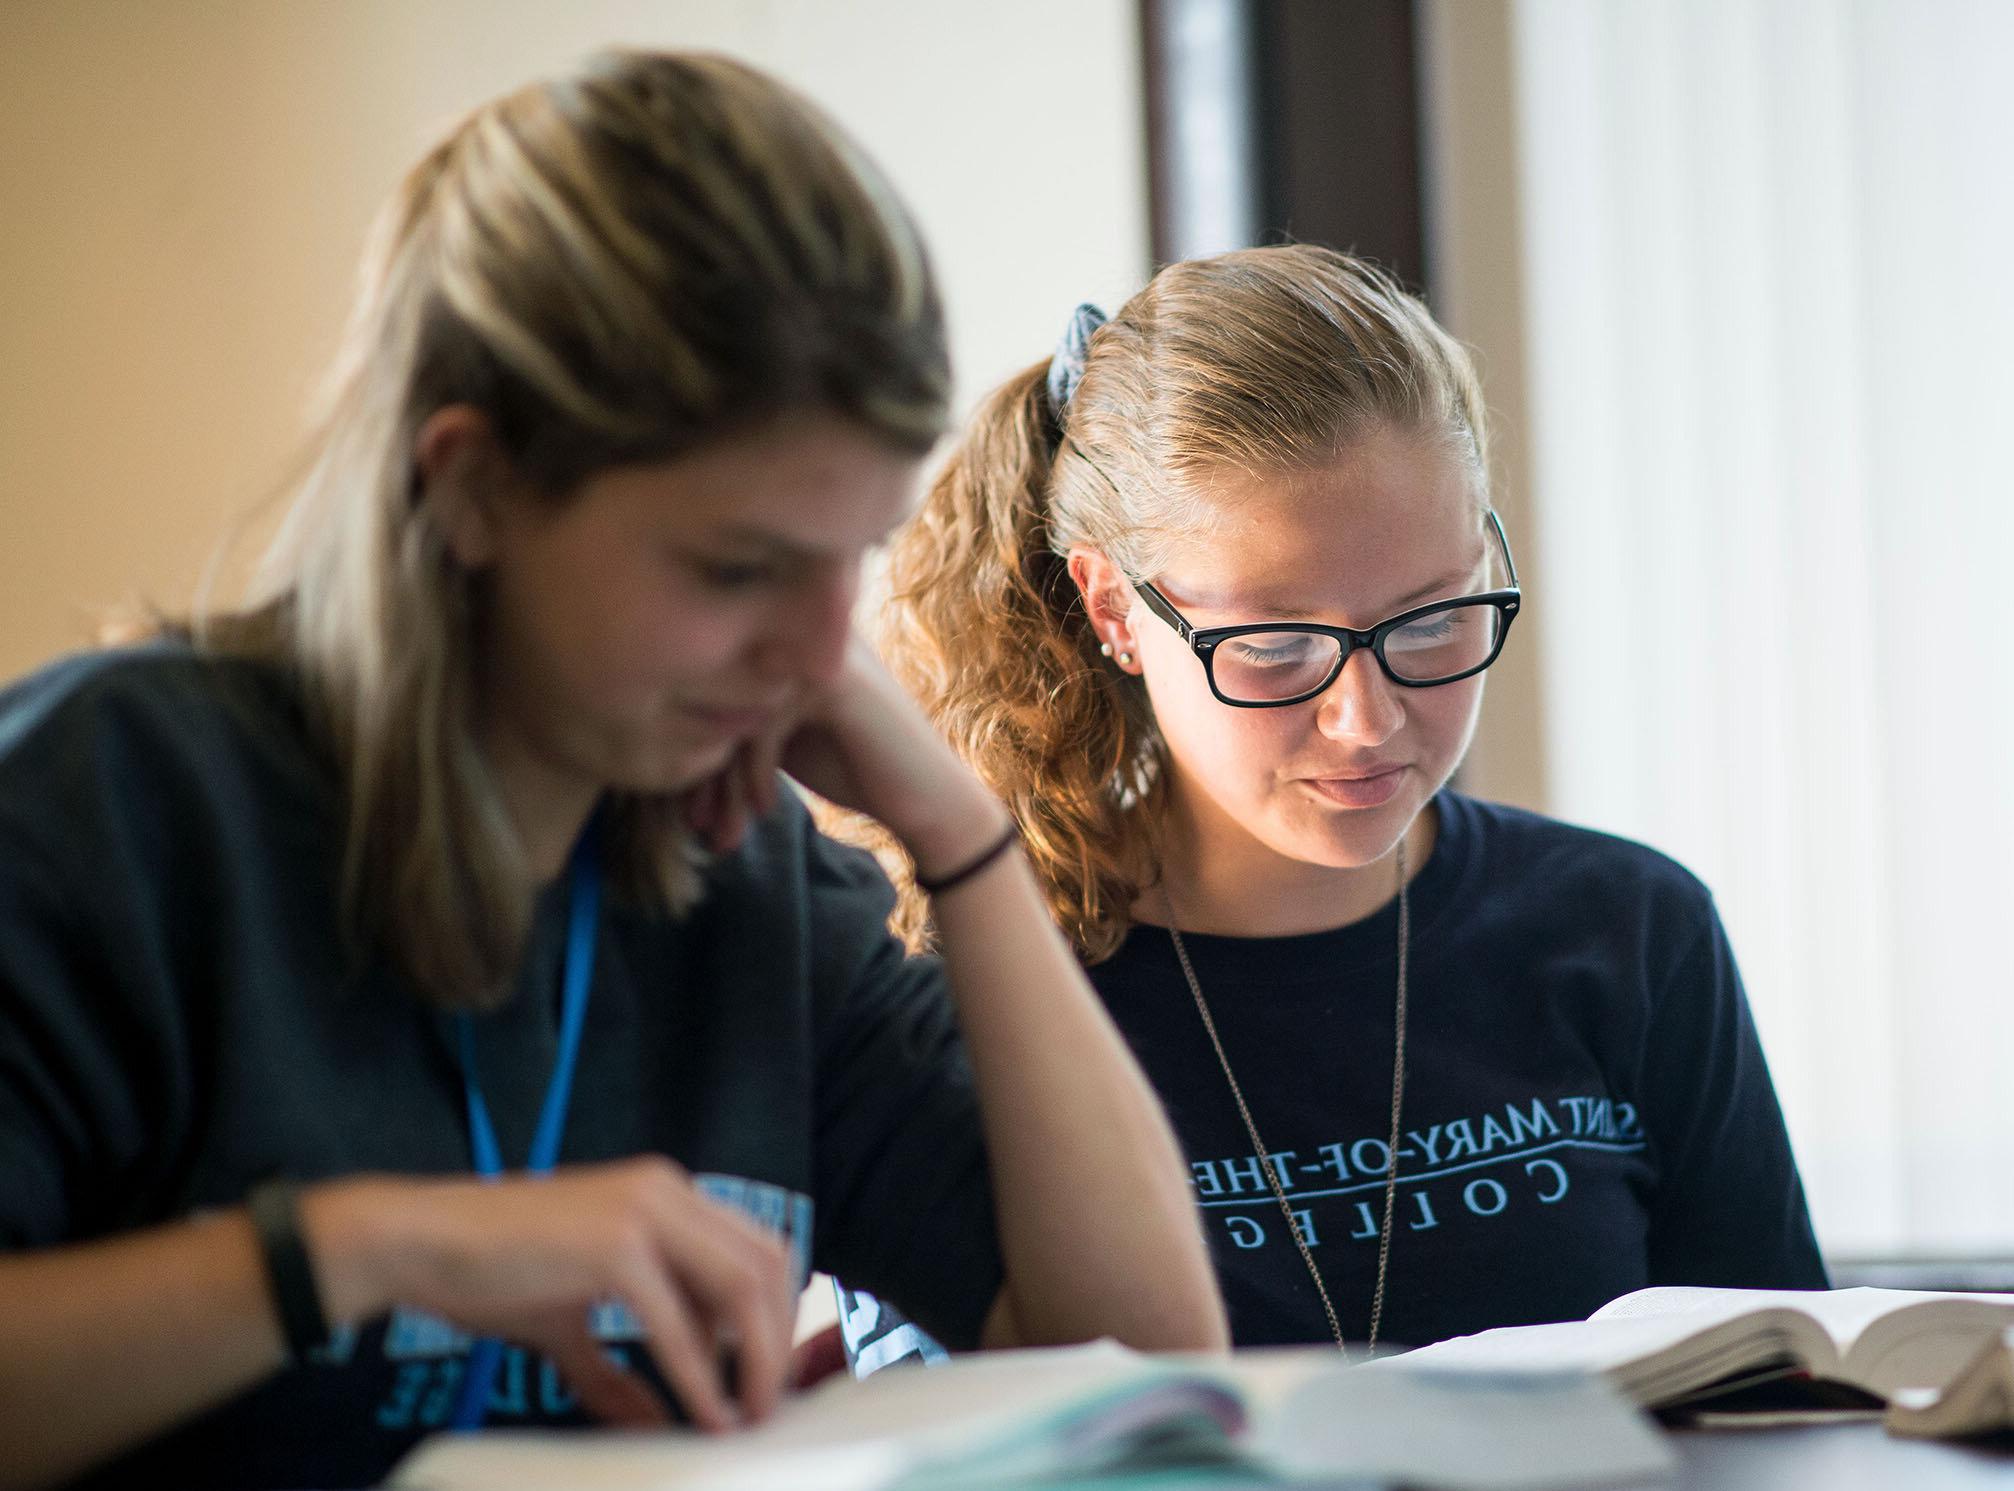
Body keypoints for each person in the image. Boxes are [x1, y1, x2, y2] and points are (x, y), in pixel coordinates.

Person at [0, 50, 1222, 1491]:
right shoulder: (116, 804)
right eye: (737, 565)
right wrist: (366, 1249)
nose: (821, 647)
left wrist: (957, 830)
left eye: (854, 555)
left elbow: (1146, 1361)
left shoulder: (749, 876)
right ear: (469, 487)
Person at [868, 244, 1826, 1359]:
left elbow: (1780, 1394)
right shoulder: (976, 988)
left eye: (1429, 621)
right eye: (1275, 646)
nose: (1366, 720)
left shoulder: (1632, 929)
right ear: (1114, 609)